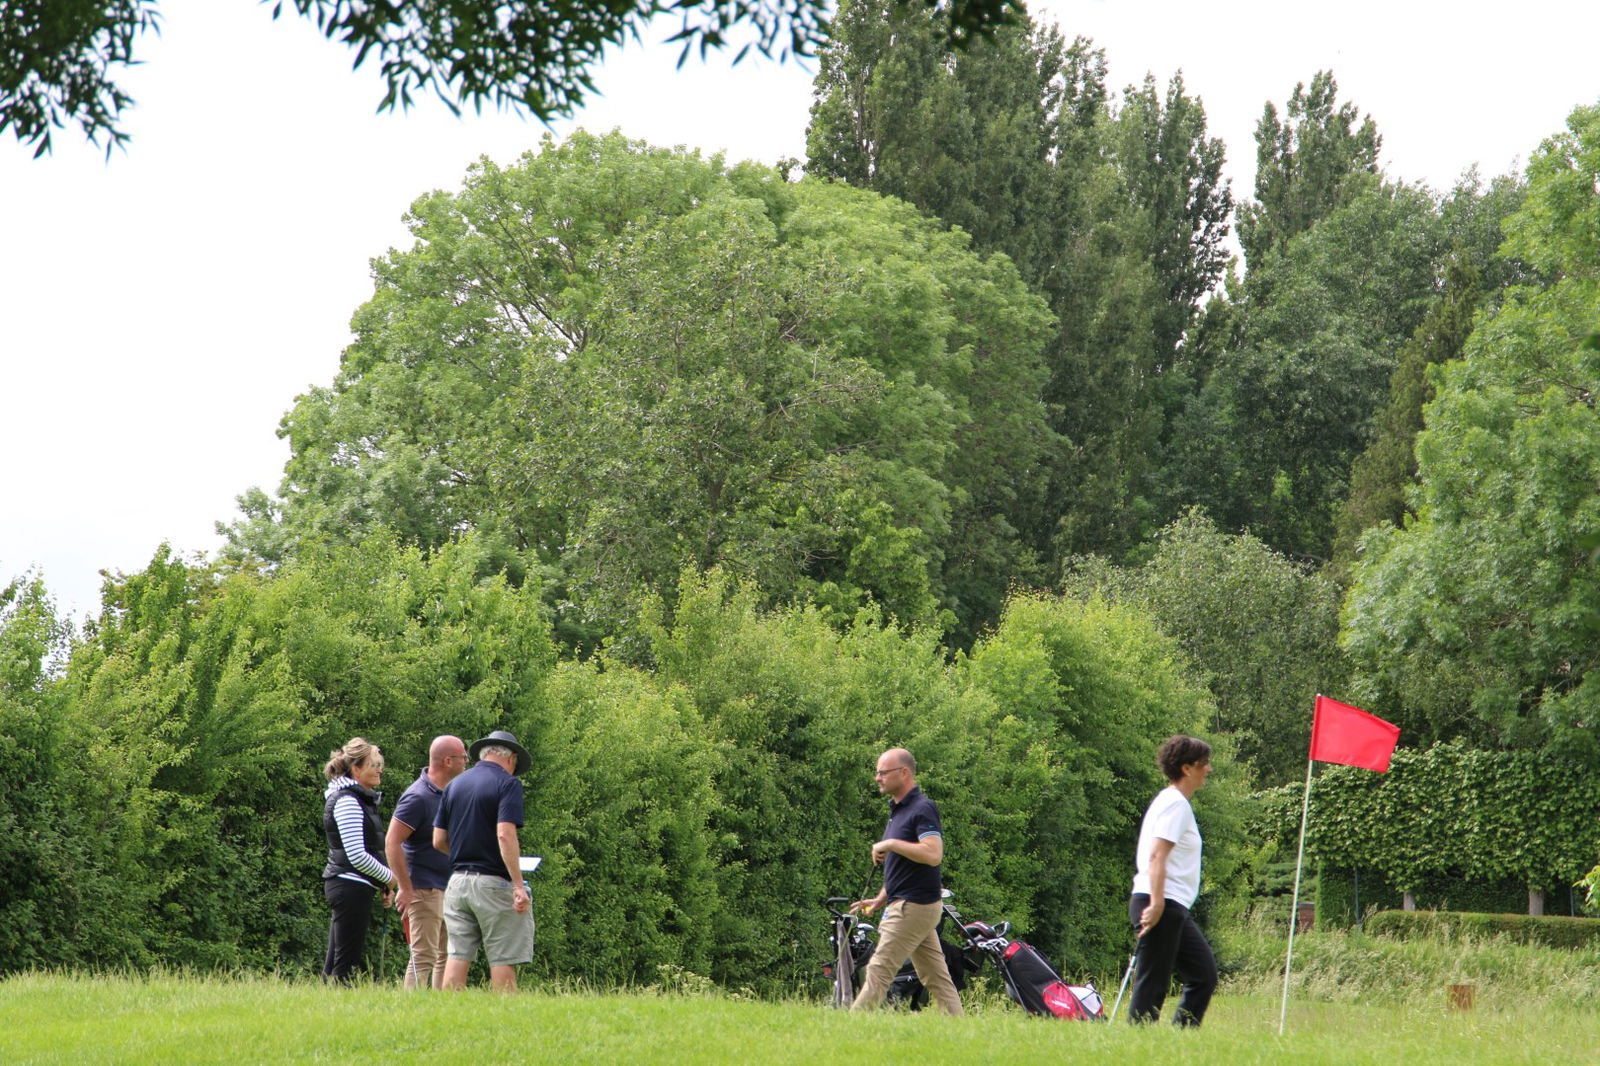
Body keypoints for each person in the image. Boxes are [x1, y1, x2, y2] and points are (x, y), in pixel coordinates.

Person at [848, 747, 964, 1016]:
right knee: (936, 976)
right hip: (911, 904)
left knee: (879, 969)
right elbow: (905, 866)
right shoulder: (898, 810)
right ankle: (959, 1027)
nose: (877, 777)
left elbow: (933, 854)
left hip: (913, 906)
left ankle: (849, 1026)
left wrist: (890, 843)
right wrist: (881, 898)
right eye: (877, 772)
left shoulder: (922, 808)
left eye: (883, 772)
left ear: (904, 773)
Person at [432, 729, 535, 992]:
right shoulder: (508, 784)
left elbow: (438, 840)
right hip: (492, 883)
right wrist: (518, 885)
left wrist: (466, 852)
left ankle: (450, 1017)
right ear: (511, 759)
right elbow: (505, 834)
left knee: (457, 954)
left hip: (457, 883)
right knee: (503, 956)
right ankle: (505, 1020)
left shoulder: (455, 784)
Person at [1127, 734, 1218, 1026]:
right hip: (1160, 901)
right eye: (1204, 763)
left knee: (1203, 975)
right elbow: (1156, 856)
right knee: (1153, 982)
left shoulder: (1174, 802)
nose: (1209, 769)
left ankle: (1178, 1042)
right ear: (1186, 768)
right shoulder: (1175, 804)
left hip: (1172, 904)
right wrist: (1156, 904)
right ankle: (1136, 1047)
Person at [385, 734, 468, 989]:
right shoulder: (418, 797)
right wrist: (405, 888)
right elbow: (392, 841)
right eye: (464, 757)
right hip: (423, 887)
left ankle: (439, 1011)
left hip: (447, 885)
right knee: (424, 956)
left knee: (446, 955)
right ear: (447, 761)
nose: (467, 761)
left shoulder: (450, 792)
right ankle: (411, 1010)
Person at [321, 736, 398, 983]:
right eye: (373, 764)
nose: (379, 769)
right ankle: (337, 1010)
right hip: (349, 885)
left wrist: (383, 884)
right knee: (345, 962)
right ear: (356, 769)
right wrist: (390, 878)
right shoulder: (348, 801)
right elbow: (356, 855)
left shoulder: (356, 798)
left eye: (379, 764)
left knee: (336, 960)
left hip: (352, 884)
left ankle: (324, 1004)